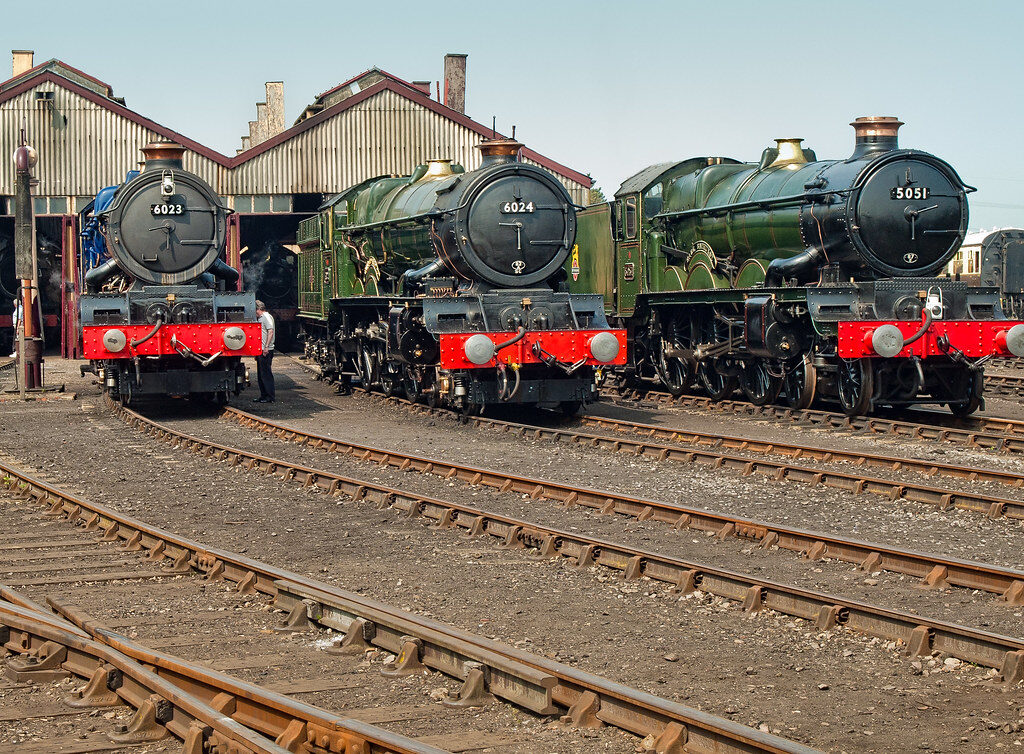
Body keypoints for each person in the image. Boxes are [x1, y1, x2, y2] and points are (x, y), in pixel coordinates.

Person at [255, 300, 276, 403]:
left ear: (258, 309)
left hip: (266, 349)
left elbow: (270, 331)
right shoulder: (261, 317)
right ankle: (263, 395)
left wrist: (266, 347)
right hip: (261, 349)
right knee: (261, 374)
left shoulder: (266, 317)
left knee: (266, 374)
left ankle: (270, 396)